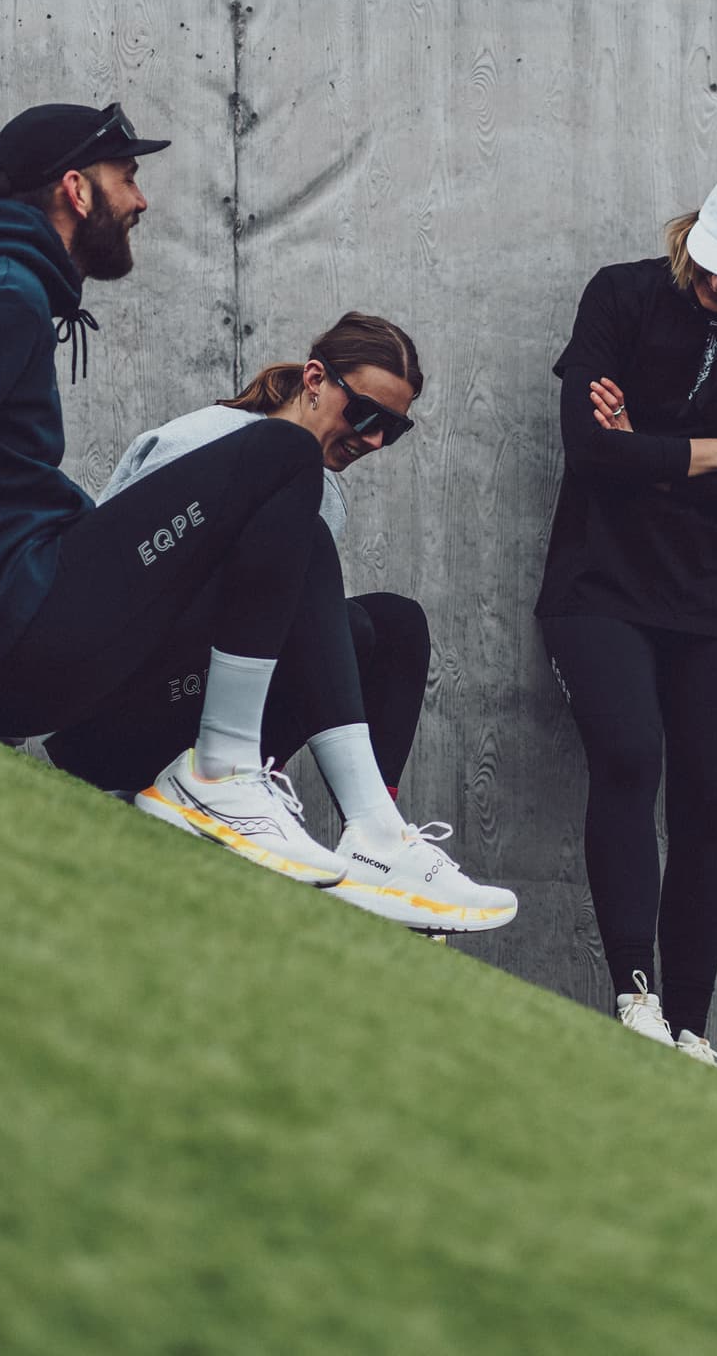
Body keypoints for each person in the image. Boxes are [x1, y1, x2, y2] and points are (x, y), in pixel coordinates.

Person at [0, 101, 511, 935]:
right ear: (76, 189)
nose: (141, 200)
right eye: (127, 177)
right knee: (283, 455)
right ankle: (223, 771)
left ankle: (375, 832)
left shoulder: (13, 294)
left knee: (307, 529)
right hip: (10, 633)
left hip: (17, 627)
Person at [41, 312, 515, 929]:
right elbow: (114, 582)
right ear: (315, 379)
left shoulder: (324, 489)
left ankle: (375, 835)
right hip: (108, 711)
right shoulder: (208, 443)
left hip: (196, 709)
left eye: (393, 431)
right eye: (367, 415)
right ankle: (240, 787)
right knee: (347, 615)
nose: (373, 441)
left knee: (395, 624)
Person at [536, 166, 717, 1068]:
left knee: (706, 799)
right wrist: (708, 453)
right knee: (629, 754)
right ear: (691, 233)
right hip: (600, 584)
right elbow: (586, 452)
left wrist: (644, 451)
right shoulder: (619, 296)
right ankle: (636, 994)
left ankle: (690, 1032)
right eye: (709, 265)